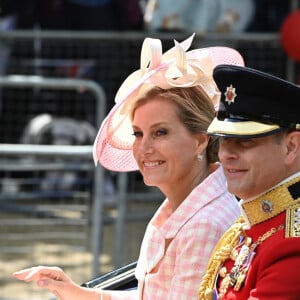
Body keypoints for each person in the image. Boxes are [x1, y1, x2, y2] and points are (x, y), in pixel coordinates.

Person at [13, 34, 244, 299]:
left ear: (200, 141)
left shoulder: (203, 224)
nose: (144, 148)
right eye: (137, 133)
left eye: (160, 133)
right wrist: (81, 294)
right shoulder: (183, 206)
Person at [198, 64, 300, 299]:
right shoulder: (255, 220)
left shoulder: (291, 245)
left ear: (291, 147)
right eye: (224, 141)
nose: (226, 154)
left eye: (245, 142)